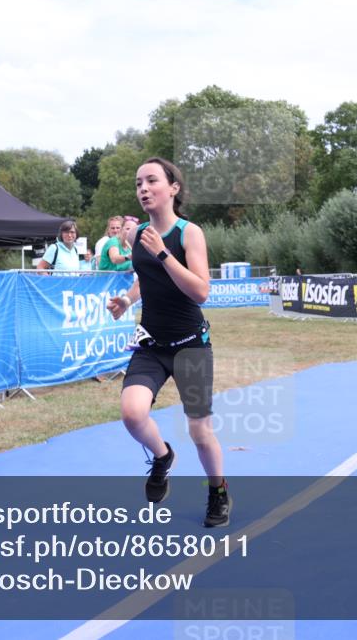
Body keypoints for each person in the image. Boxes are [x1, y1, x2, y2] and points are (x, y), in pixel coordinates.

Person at [106, 157, 230, 528]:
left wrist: (163, 252)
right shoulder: (135, 235)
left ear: (173, 188)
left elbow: (201, 291)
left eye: (151, 181)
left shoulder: (188, 234)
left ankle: (218, 490)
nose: (143, 189)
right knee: (132, 413)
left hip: (191, 344)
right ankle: (162, 457)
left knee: (199, 430)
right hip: (153, 345)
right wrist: (127, 300)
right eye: (138, 183)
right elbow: (146, 277)